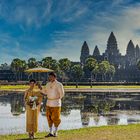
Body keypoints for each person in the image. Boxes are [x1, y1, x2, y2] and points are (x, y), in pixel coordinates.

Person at [38, 72, 64, 137]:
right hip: (48, 103)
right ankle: (50, 132)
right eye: (49, 77)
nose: (50, 78)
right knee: (49, 118)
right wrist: (40, 88)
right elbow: (45, 92)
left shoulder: (59, 84)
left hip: (56, 103)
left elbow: (62, 94)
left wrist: (57, 99)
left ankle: (55, 132)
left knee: (55, 118)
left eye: (51, 77)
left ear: (54, 77)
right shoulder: (48, 84)